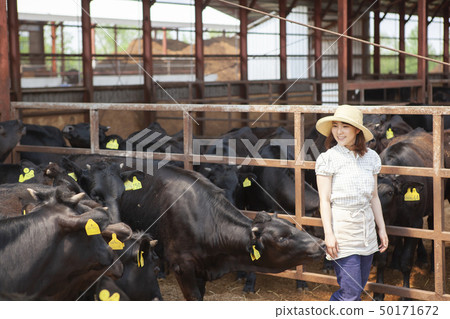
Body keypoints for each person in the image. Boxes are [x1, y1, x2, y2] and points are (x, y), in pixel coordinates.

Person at [314, 105, 388, 301]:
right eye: (335, 126)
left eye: (345, 126)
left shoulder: (371, 158)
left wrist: (381, 229)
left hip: (366, 230)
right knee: (350, 293)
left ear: (357, 130)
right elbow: (324, 200)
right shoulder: (327, 159)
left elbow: (373, 196)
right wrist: (328, 234)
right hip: (343, 230)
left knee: (358, 290)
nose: (338, 131)